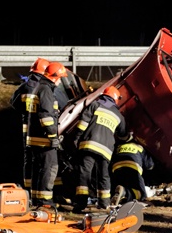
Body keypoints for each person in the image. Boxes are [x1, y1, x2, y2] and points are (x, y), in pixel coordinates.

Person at [71, 85, 128, 213]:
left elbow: (82, 124)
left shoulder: (95, 105)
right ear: (115, 99)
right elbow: (123, 134)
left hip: (89, 145)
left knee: (84, 174)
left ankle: (80, 204)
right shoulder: (118, 115)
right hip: (106, 150)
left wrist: (77, 138)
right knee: (104, 176)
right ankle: (104, 204)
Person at [25, 62, 68, 207]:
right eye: (60, 77)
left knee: (39, 169)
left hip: (35, 138)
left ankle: (37, 199)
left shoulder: (39, 88)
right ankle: (45, 201)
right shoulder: (46, 91)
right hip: (44, 139)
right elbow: (46, 117)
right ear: (54, 77)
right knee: (50, 168)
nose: (61, 80)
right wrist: (53, 137)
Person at [9, 57, 50, 191]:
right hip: (43, 128)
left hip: (26, 127)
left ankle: (28, 190)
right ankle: (48, 191)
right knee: (46, 161)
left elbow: (14, 104)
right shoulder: (45, 88)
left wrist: (26, 113)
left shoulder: (24, 86)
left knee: (29, 159)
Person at [111, 132, 155, 204]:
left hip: (116, 169)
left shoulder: (119, 146)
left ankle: (122, 194)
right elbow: (149, 165)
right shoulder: (140, 147)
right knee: (141, 194)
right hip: (132, 169)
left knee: (121, 186)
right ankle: (125, 192)